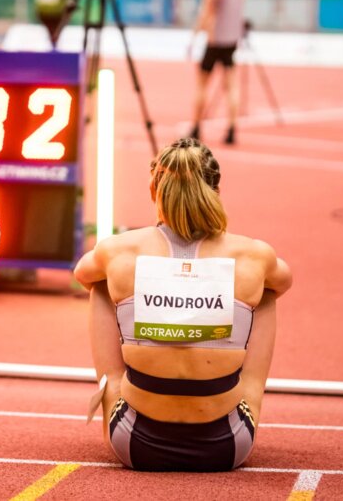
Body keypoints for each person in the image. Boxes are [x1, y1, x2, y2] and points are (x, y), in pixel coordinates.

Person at [75, 137, 291, 472]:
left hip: (134, 442)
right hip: (227, 444)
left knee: (101, 285)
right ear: (214, 191)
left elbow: (82, 273)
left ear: (155, 190)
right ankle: (250, 397)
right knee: (265, 291)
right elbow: (285, 280)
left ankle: (113, 389)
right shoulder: (252, 254)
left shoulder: (119, 250)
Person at [189, 0, 247, 146]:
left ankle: (196, 127)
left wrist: (195, 35)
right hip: (232, 38)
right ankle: (232, 128)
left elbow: (207, 9)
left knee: (202, 84)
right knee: (231, 84)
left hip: (215, 39)